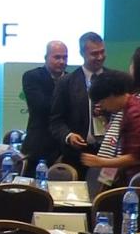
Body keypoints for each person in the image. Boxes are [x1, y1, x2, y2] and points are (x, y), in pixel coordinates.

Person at [49, 30, 106, 170]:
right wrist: (68, 136)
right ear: (82, 53)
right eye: (94, 54)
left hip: (108, 154)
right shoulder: (66, 82)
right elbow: (56, 121)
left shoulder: (116, 80)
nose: (100, 57)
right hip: (76, 155)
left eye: (102, 52)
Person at [21, 39, 68, 169]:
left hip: (64, 147)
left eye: (65, 57)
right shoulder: (32, 76)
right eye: (57, 57)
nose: (62, 61)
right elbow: (41, 107)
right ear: (46, 57)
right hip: (38, 146)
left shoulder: (72, 80)